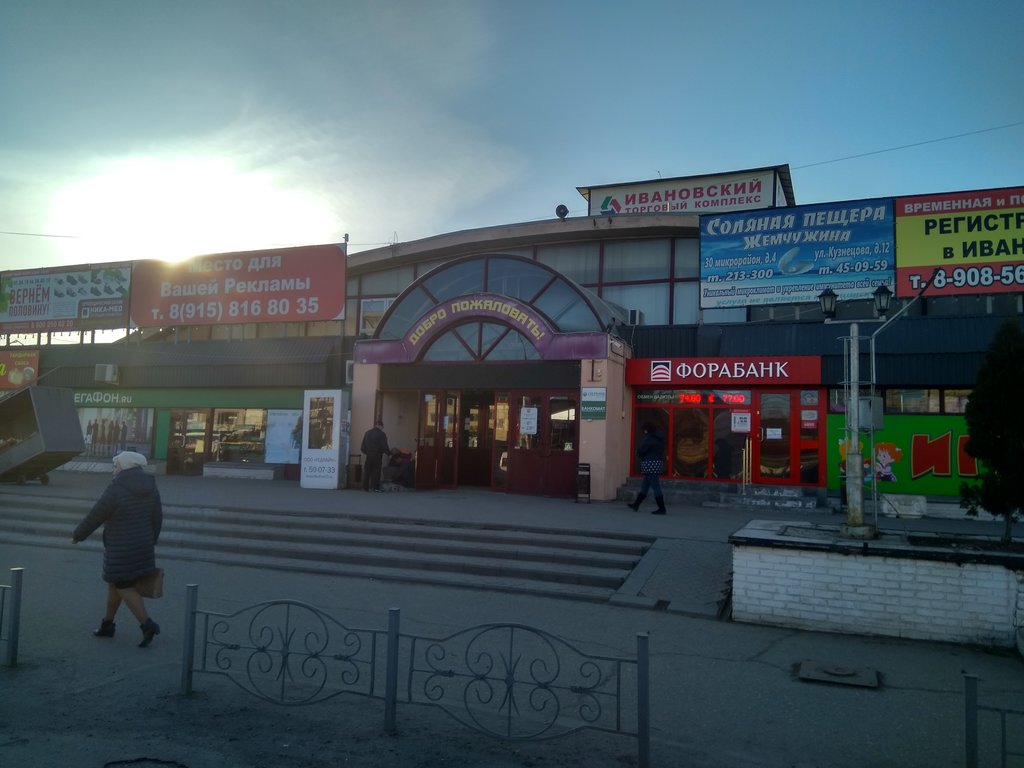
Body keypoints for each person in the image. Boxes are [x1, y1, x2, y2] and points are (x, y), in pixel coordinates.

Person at [72, 450, 163, 648]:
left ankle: (147, 625)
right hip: (143, 544)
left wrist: (79, 534)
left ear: (124, 467)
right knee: (116, 582)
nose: (113, 469)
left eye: (116, 465)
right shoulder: (150, 485)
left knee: (123, 586)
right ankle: (107, 624)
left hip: (122, 547)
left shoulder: (117, 487)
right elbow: (157, 516)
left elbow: (97, 514)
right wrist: (151, 540)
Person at [628, 420, 667, 515]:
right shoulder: (659, 438)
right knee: (644, 486)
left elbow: (642, 449)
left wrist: (638, 452)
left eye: (644, 429)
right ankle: (636, 505)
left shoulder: (650, 438)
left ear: (647, 429)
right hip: (656, 464)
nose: (644, 431)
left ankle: (662, 509)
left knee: (656, 487)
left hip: (649, 465)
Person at [360, 418, 390, 492]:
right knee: (376, 471)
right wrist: (389, 453)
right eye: (382, 427)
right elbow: (384, 445)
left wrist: (367, 452)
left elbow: (362, 447)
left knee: (367, 471)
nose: (382, 428)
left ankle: (365, 487)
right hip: (377, 455)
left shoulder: (367, 433)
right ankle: (375, 487)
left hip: (369, 455)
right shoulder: (381, 434)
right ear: (379, 425)